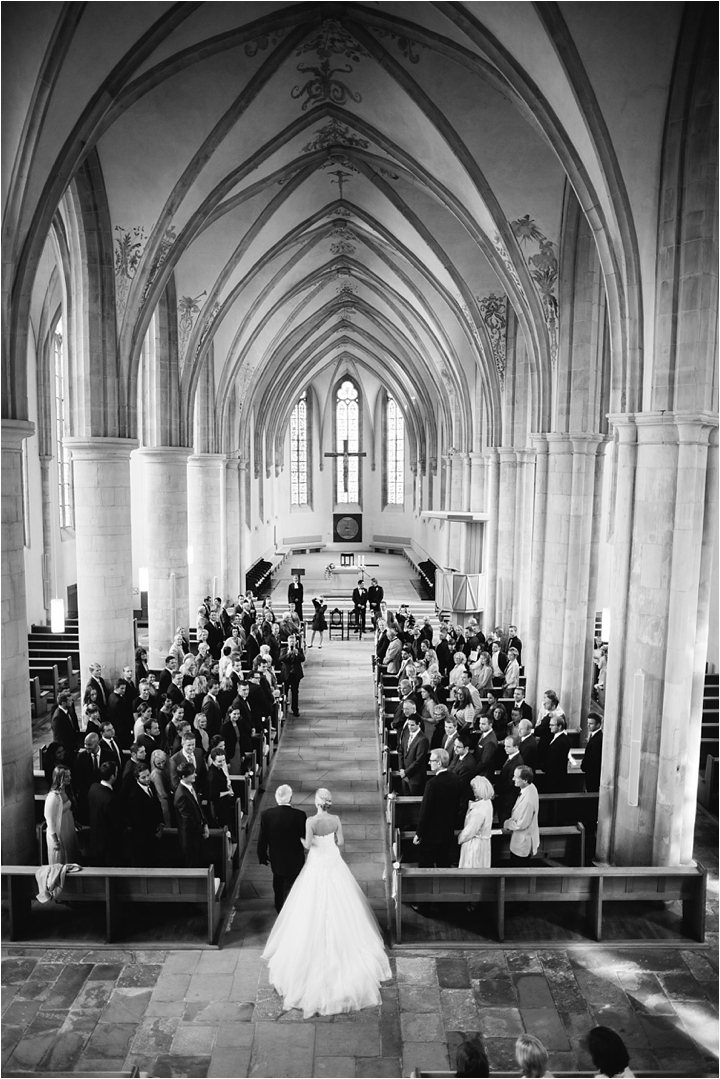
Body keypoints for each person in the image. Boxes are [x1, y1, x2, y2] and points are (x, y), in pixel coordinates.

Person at [262, 787, 391, 1017]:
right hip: (332, 861)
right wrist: (330, 843)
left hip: (317, 862)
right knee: (342, 901)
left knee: (309, 903)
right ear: (329, 803)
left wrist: (302, 838)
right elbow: (340, 842)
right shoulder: (336, 819)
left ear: (317, 802)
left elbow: (308, 845)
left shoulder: (311, 821)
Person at [257, 783, 307, 913]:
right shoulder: (299, 815)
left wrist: (262, 855)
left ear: (276, 798)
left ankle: (279, 907)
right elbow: (304, 836)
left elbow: (263, 838)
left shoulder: (267, 815)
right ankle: (292, 909)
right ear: (290, 798)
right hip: (295, 858)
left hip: (277, 858)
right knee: (293, 884)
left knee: (278, 884)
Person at [412, 749, 463, 867]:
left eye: (431, 760)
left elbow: (425, 811)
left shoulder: (432, 784)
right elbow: (457, 805)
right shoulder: (455, 779)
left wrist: (419, 833)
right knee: (443, 863)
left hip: (431, 834)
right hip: (447, 832)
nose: (429, 763)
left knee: (426, 865)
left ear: (439, 763)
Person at [173, 760, 209, 867]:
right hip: (190, 838)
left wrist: (205, 823)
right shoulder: (181, 795)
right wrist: (202, 829)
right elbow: (188, 820)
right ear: (184, 776)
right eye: (192, 773)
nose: (195, 775)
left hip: (196, 833)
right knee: (192, 865)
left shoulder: (191, 786)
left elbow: (198, 806)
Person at [503, 765, 540, 864]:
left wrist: (506, 824)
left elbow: (521, 824)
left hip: (522, 842)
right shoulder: (530, 787)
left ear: (525, 780)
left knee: (517, 869)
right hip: (521, 838)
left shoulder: (527, 801)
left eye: (516, 777)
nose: (513, 779)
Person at [44, 766, 81, 865]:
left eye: (70, 776)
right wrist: (56, 841)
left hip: (68, 826)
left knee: (71, 856)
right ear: (59, 778)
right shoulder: (53, 797)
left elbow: (68, 810)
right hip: (58, 831)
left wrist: (74, 822)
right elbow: (50, 820)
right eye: (66, 777)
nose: (70, 778)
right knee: (61, 861)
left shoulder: (67, 790)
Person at [458, 775, 494, 868]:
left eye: (474, 788)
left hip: (475, 845)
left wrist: (460, 838)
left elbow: (471, 830)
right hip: (482, 843)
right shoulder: (487, 802)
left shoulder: (479, 809)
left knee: (472, 869)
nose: (472, 791)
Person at [398, 714, 430, 795]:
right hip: (404, 774)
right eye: (408, 724)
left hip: (415, 777)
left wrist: (406, 772)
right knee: (405, 798)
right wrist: (401, 769)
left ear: (418, 724)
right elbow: (401, 751)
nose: (410, 727)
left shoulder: (423, 739)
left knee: (414, 802)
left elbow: (418, 760)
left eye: (412, 725)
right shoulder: (407, 734)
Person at [280, 634, 305, 717]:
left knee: (295, 692)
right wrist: (287, 654)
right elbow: (280, 659)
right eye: (290, 641)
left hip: (295, 674)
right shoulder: (283, 650)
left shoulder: (299, 650)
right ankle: (284, 709)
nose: (292, 643)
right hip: (286, 674)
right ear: (288, 642)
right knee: (285, 692)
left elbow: (302, 659)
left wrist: (297, 654)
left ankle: (295, 709)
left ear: (295, 642)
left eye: (293, 641)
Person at [581, 713, 603, 792]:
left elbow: (594, 758)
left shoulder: (598, 738)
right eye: (588, 723)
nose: (588, 725)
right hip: (590, 772)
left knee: (592, 790)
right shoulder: (594, 736)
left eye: (591, 723)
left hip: (593, 773)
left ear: (598, 724)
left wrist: (585, 766)